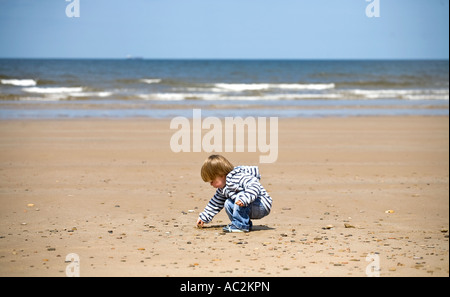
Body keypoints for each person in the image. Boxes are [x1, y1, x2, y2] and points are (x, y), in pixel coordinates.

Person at [196, 155, 272, 233]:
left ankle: (240, 225)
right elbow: (215, 203)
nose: (211, 184)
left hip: (261, 204)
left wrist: (244, 199)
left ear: (221, 175)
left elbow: (254, 186)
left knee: (239, 195)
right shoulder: (222, 189)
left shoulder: (237, 177)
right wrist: (204, 217)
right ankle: (244, 224)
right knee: (228, 203)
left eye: (212, 181)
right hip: (250, 205)